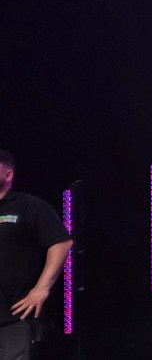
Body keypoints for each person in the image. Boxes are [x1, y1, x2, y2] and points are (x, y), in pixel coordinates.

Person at [0, 150, 73, 360]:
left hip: (14, 315)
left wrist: (42, 288)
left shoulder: (28, 206)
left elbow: (62, 242)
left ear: (8, 174)